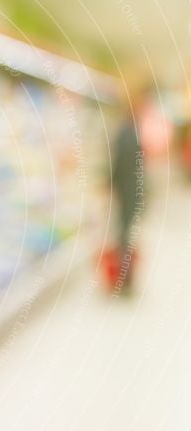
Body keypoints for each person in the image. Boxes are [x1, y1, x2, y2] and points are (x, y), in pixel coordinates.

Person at [109, 86, 148, 295]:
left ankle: (124, 278)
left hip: (127, 194)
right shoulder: (132, 133)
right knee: (127, 236)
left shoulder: (125, 133)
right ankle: (126, 277)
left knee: (124, 237)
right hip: (131, 193)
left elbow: (119, 165)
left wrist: (111, 185)